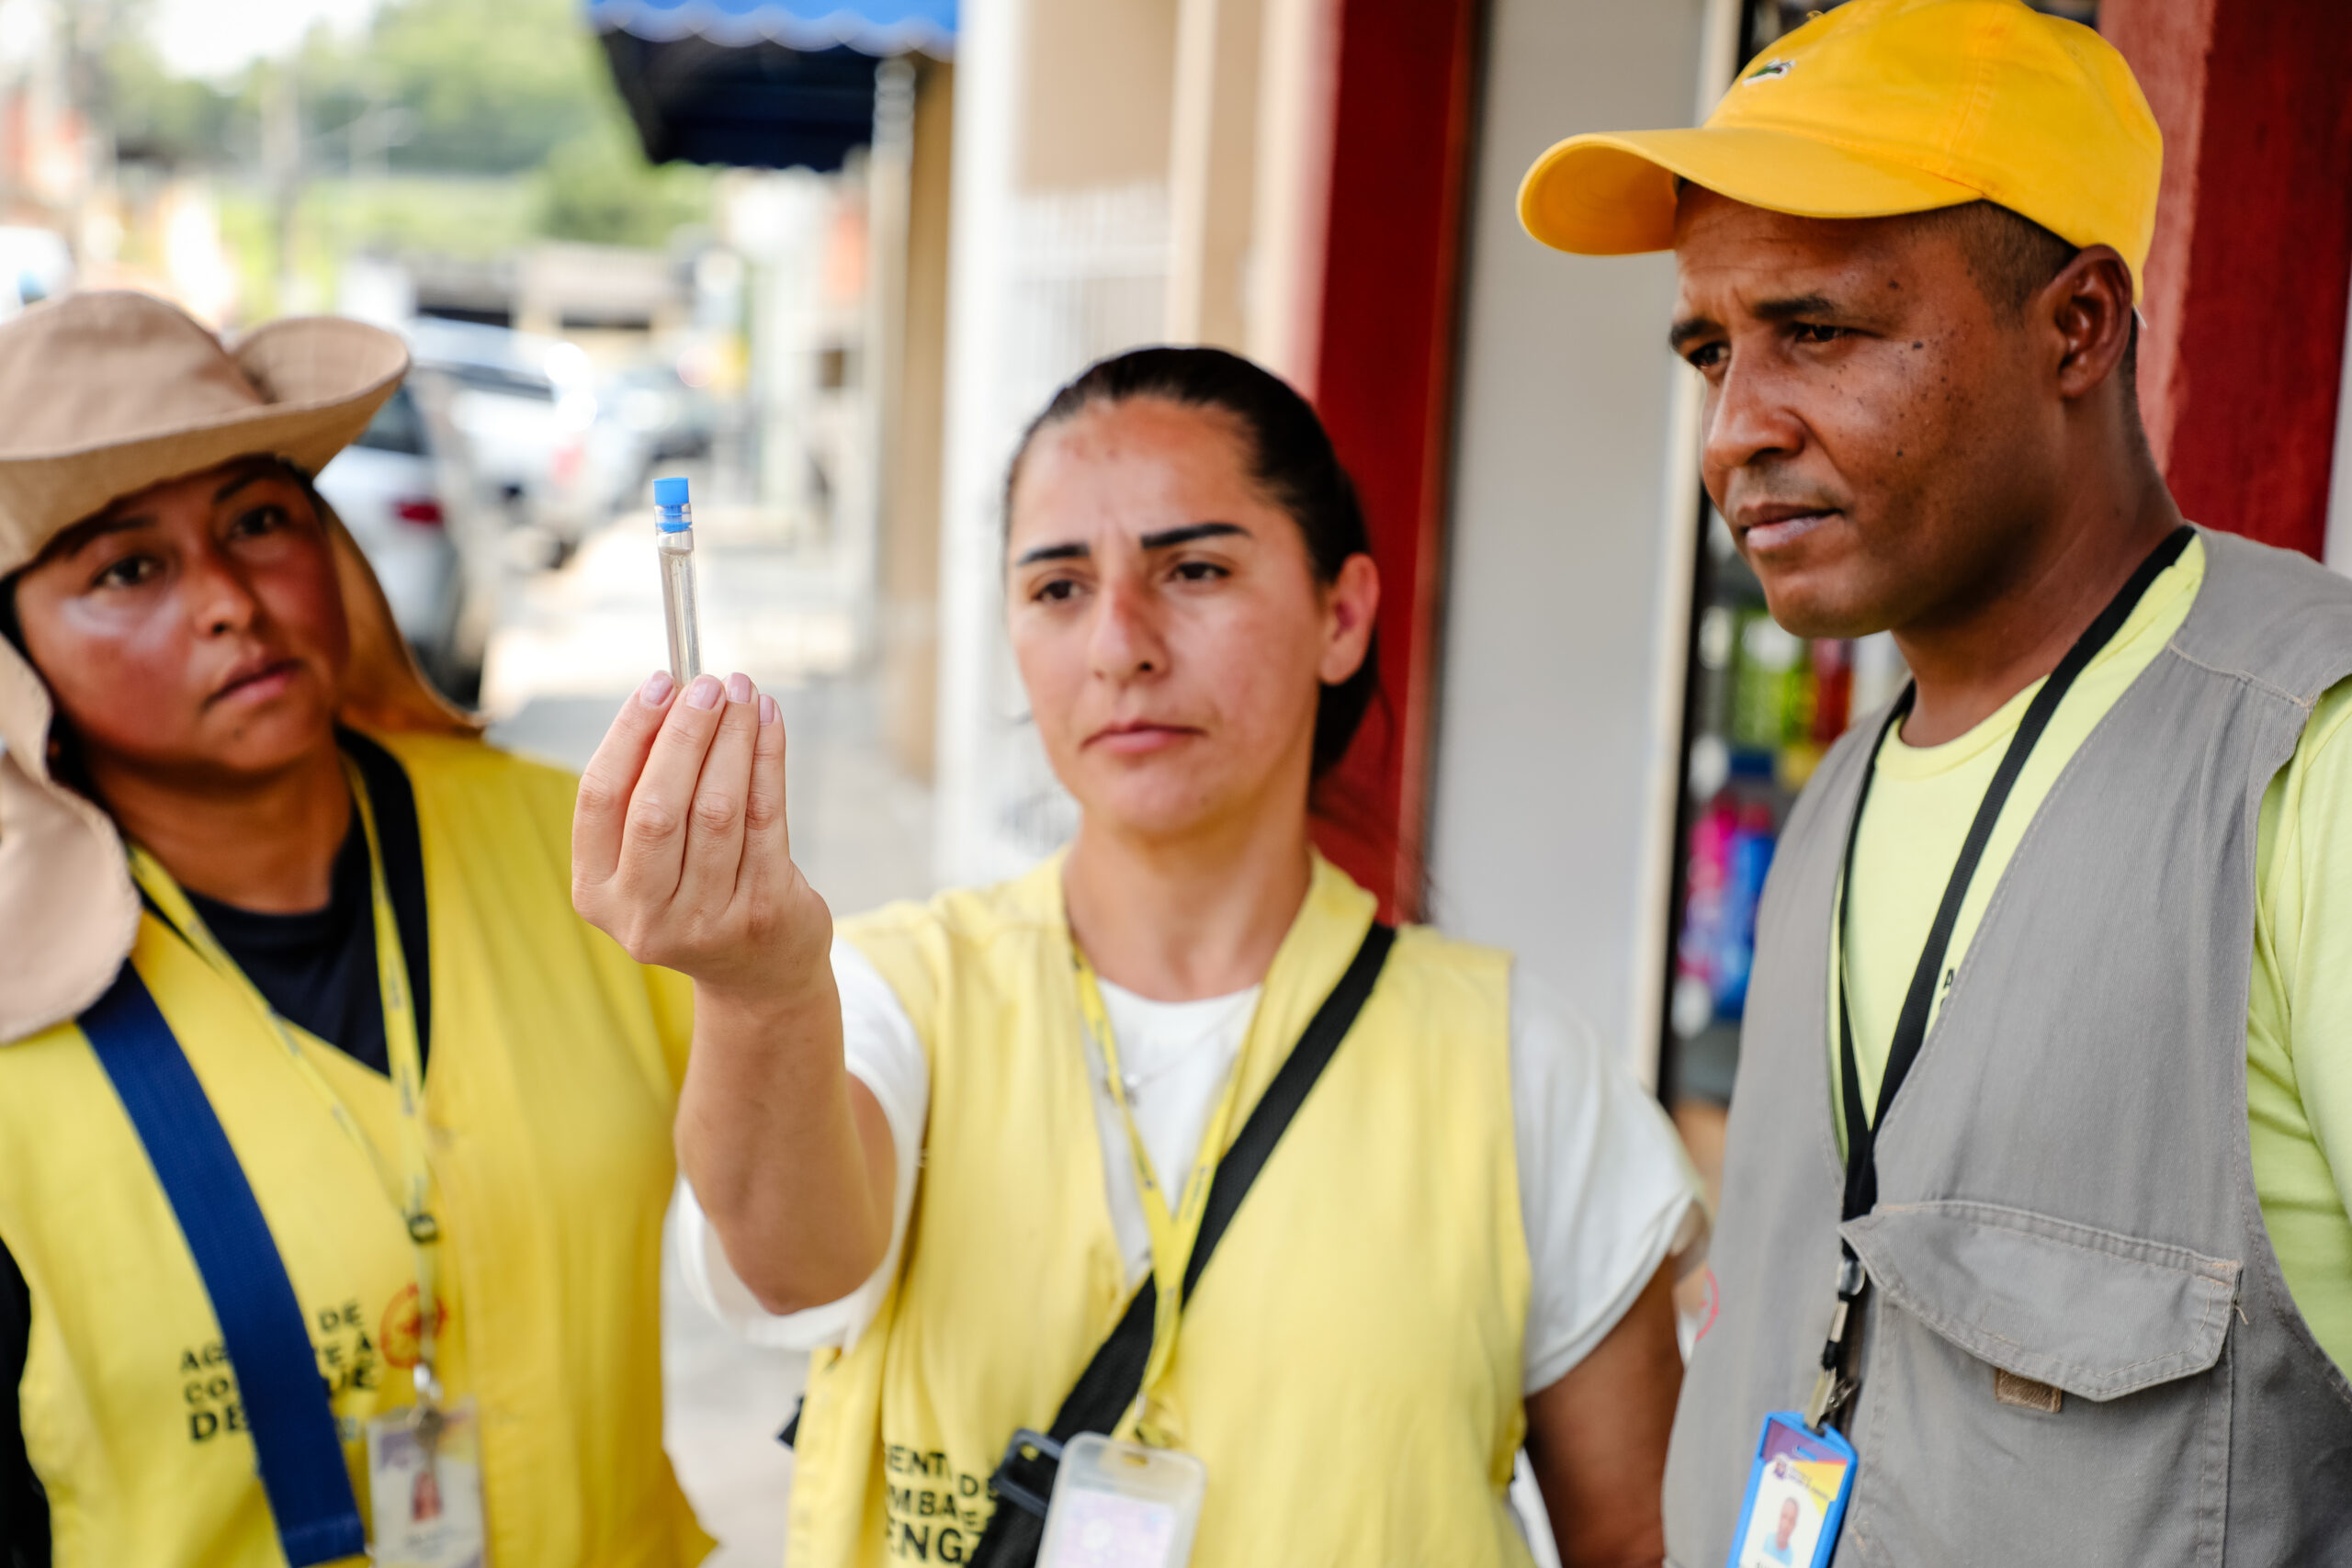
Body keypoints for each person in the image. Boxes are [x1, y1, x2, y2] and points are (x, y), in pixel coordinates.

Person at [573, 346, 1702, 1566]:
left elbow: (1636, 1543)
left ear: (1342, 615)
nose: (1120, 642)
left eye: (1196, 569)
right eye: (1058, 588)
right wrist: (759, 991)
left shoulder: (1518, 1068)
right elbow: (789, 1263)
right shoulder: (890, 995)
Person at [1519, 0, 2352, 1561]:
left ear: (2079, 327)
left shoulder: (2302, 758)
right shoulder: (1837, 800)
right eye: (1712, 348)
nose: (1733, 431)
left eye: (1816, 331)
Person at [0, 291, 711, 1567]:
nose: (226, 598)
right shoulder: (14, 1010)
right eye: (127, 568)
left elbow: (814, 1257)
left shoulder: (589, 849)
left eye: (258, 520)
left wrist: (769, 979)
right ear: (18, 655)